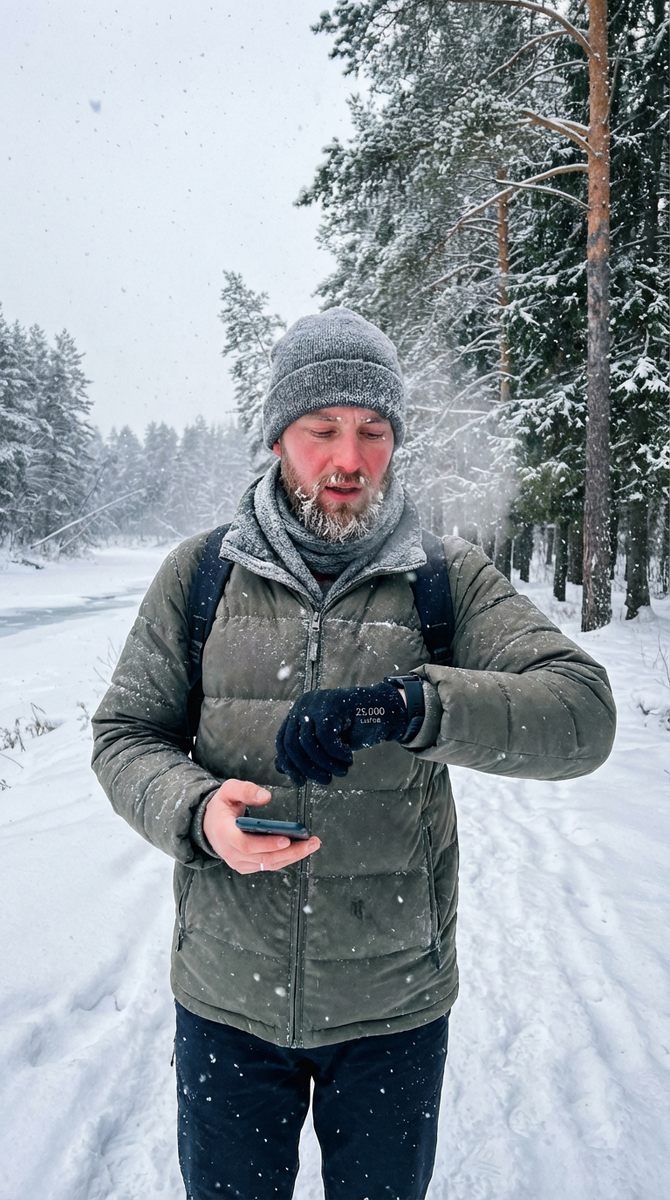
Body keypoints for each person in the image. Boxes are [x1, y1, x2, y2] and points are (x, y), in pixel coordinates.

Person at [91, 307, 616, 1200]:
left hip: (391, 1015)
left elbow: (582, 716)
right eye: (321, 430)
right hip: (228, 1005)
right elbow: (124, 736)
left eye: (373, 432)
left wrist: (410, 704)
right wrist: (196, 811)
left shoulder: (447, 579)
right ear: (276, 437)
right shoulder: (199, 575)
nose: (349, 459)